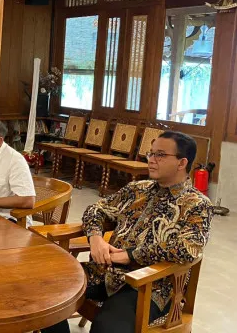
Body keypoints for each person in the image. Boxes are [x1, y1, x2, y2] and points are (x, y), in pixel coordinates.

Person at [42, 131, 213, 333]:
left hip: (149, 286)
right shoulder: (137, 189)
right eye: (150, 154)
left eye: (160, 155)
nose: (151, 160)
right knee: (46, 295)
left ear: (182, 163)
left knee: (108, 327)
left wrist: (129, 256)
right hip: (104, 272)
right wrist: (95, 238)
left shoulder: (197, 205)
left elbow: (187, 248)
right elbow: (96, 210)